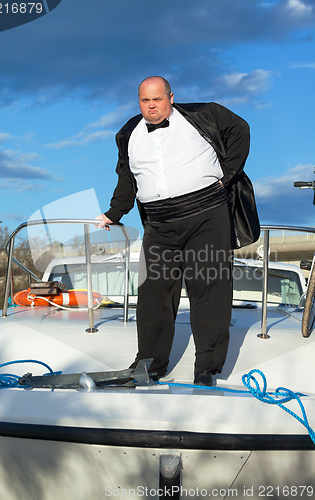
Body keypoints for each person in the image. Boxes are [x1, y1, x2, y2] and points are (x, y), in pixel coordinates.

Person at [96, 76, 259, 386]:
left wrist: (227, 175)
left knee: (208, 289)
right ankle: (150, 365)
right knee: (153, 293)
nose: (152, 105)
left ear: (171, 97)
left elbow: (241, 130)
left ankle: (207, 368)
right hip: (159, 224)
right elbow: (127, 178)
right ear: (139, 102)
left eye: (157, 99)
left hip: (206, 214)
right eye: (145, 100)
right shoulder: (128, 134)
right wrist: (114, 212)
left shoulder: (204, 115)